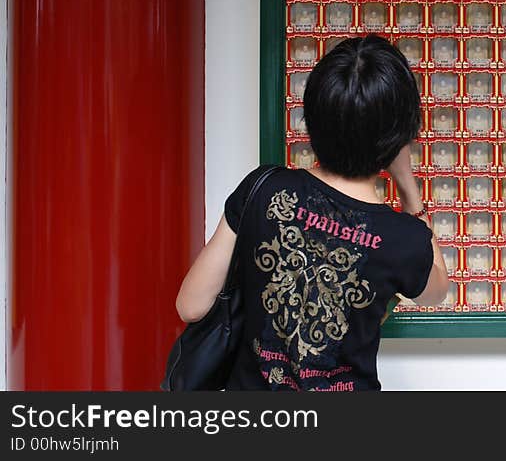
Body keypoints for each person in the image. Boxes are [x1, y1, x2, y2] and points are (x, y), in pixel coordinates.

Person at [175, 35, 448, 391]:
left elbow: (191, 306)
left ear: (314, 115)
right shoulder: (403, 237)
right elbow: (436, 292)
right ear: (399, 137)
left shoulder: (264, 188)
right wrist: (409, 190)